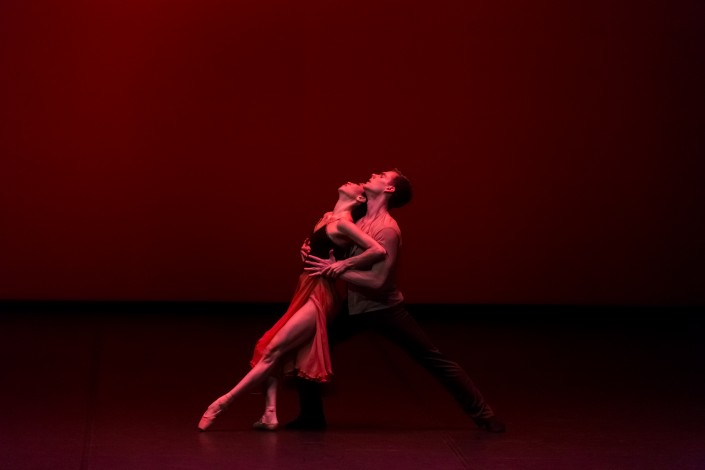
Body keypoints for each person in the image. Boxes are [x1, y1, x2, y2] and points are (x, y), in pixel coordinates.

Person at [300, 169, 506, 433]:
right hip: (354, 305)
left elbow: (378, 282)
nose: (374, 174)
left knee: (432, 359)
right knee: (310, 343)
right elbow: (331, 240)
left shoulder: (387, 229)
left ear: (389, 189)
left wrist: (338, 270)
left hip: (384, 309)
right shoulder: (358, 217)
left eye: (382, 175)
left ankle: (484, 415)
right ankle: (311, 417)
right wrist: (311, 247)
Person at [197, 182, 386, 431]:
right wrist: (306, 248)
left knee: (273, 350)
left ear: (360, 199)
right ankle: (269, 414)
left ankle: (222, 403)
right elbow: (318, 246)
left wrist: (341, 266)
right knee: (267, 346)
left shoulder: (344, 224)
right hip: (306, 287)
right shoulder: (327, 217)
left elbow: (378, 250)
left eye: (357, 185)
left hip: (320, 293)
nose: (352, 182)